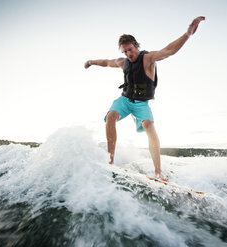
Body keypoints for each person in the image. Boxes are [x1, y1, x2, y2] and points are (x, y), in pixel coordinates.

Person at [84, 16, 205, 180]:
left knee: (149, 126)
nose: (128, 54)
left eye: (130, 50)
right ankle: (110, 161)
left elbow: (168, 51)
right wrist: (91, 62)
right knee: (111, 116)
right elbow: (106, 62)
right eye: (125, 51)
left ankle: (158, 172)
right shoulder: (122, 62)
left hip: (141, 104)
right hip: (125, 100)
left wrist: (187, 34)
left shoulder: (148, 58)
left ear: (136, 46)